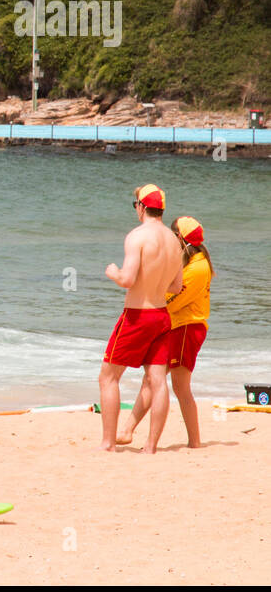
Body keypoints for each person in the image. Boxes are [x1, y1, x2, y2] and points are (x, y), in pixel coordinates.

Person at [99, 184, 185, 453]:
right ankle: (150, 447)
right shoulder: (174, 241)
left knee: (108, 377)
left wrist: (113, 272)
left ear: (141, 206)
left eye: (134, 205)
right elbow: (175, 287)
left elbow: (127, 279)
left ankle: (108, 443)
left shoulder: (137, 236)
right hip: (162, 315)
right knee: (158, 381)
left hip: (137, 316)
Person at [118, 214, 212, 450]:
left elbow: (176, 299)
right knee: (154, 380)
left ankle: (194, 441)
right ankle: (128, 430)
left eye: (173, 234)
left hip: (187, 328)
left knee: (176, 386)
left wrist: (149, 303)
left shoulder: (198, 267)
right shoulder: (192, 261)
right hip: (178, 326)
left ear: (180, 237)